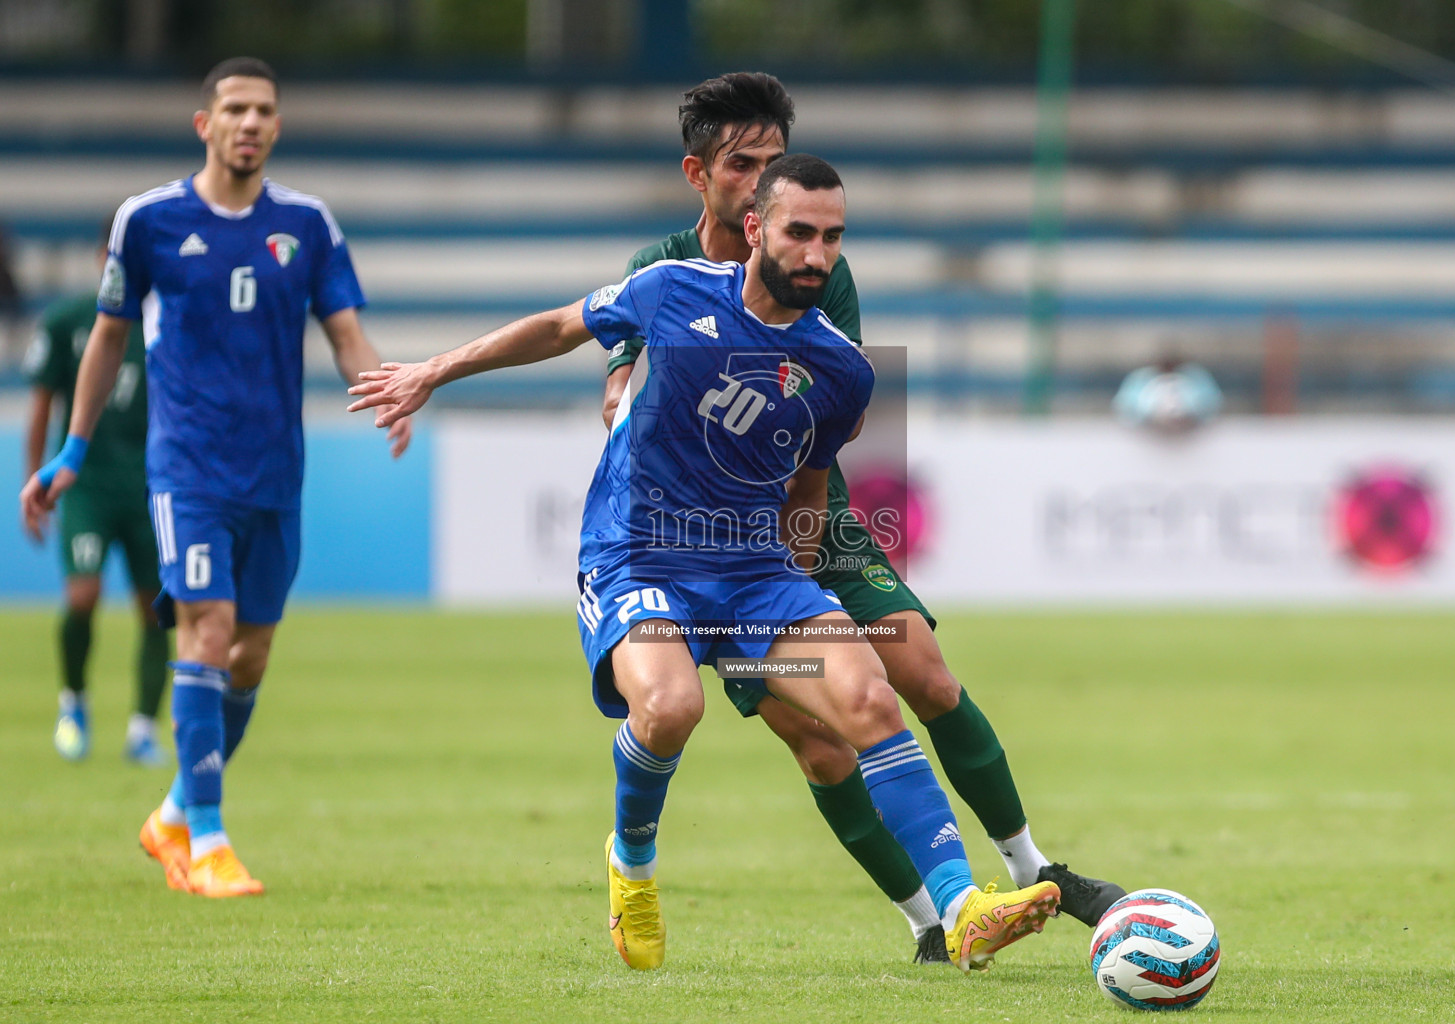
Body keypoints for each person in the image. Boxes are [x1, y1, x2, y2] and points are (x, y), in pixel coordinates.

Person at [349, 154, 1063, 972]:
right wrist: (434, 371)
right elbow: (558, 328)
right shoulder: (671, 290)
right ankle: (633, 862)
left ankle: (962, 908)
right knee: (670, 709)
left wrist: (793, 607)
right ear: (755, 228)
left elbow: (808, 488)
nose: (817, 255)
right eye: (800, 232)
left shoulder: (842, 370)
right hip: (639, 555)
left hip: (756, 578)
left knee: (869, 693)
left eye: (832, 237)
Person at [601, 72, 1125, 961]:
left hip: (813, 523)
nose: (762, 178)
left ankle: (1037, 869)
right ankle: (932, 924)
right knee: (820, 745)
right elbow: (618, 370)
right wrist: (622, 404)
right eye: (743, 164)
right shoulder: (657, 271)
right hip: (705, 549)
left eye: (774, 161)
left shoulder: (814, 266)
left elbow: (828, 409)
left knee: (925, 676)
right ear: (702, 174)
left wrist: (801, 567)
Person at [20, 57, 411, 899]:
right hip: (187, 468)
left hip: (274, 473)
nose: (249, 122)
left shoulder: (307, 224)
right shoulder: (148, 220)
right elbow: (106, 340)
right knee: (204, 628)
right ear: (206, 124)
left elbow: (344, 332)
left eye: (264, 109)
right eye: (233, 108)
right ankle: (208, 840)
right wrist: (72, 452)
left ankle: (170, 814)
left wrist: (386, 390)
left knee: (251, 654)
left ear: (277, 125)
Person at [21, 222, 169, 765]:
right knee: (82, 597)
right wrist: (36, 477)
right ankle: (74, 702)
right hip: (87, 486)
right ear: (103, 258)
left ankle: (143, 729)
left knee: (156, 610)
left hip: (153, 488)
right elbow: (40, 406)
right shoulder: (70, 322)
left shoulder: (168, 325)